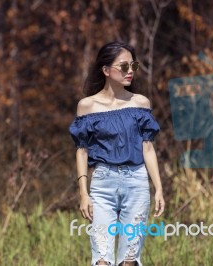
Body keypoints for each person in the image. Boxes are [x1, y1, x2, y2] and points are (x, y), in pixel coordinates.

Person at [69, 41, 165, 266]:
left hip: (137, 183)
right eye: (123, 66)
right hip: (102, 185)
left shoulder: (140, 103)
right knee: (102, 259)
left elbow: (148, 149)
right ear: (105, 70)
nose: (130, 71)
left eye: (134, 66)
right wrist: (84, 193)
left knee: (129, 261)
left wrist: (158, 188)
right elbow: (81, 151)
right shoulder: (87, 106)